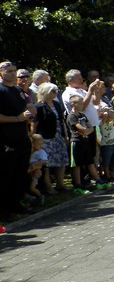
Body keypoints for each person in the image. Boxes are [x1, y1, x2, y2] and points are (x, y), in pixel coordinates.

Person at [0, 61, 36, 216]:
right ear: (1, 72)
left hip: (22, 137)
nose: (12, 73)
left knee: (20, 173)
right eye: (8, 71)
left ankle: (16, 204)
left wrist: (29, 114)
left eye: (14, 70)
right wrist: (17, 118)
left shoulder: (18, 90)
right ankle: (3, 210)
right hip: (6, 140)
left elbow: (24, 109)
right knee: (6, 175)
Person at [34, 82, 69, 192]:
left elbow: (62, 121)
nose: (55, 93)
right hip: (46, 138)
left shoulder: (56, 104)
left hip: (58, 135)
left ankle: (60, 183)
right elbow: (35, 124)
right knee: (47, 163)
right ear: (45, 92)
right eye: (53, 91)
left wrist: (65, 135)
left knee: (62, 159)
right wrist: (34, 138)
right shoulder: (39, 106)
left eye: (56, 91)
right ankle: (48, 186)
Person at [66, 95, 101, 193]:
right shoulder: (72, 116)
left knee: (89, 162)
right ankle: (78, 186)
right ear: (73, 104)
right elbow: (82, 129)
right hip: (76, 142)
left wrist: (86, 131)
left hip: (85, 141)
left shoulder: (82, 115)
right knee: (77, 164)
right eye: (80, 103)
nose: (82, 105)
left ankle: (99, 181)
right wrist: (86, 131)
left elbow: (90, 128)